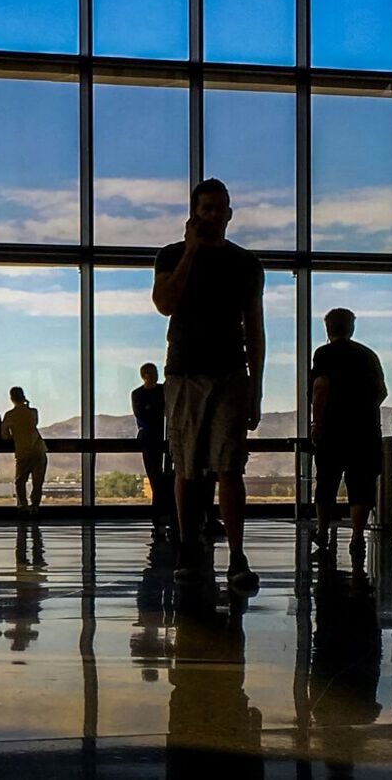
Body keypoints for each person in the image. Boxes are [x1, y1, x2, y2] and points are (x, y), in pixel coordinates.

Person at [151, 178, 266, 587]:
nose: (215, 215)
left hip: (230, 372)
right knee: (187, 466)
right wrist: (191, 252)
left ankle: (235, 553)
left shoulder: (246, 265)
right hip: (185, 372)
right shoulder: (171, 256)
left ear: (230, 213)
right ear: (195, 215)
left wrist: (256, 385)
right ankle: (188, 545)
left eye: (220, 208)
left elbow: (254, 328)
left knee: (230, 467)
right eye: (207, 209)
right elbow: (165, 303)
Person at [308, 309, 388, 561]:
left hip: (333, 429)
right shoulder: (367, 355)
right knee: (361, 484)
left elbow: (320, 388)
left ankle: (322, 531)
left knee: (327, 482)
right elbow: (381, 392)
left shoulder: (324, 354)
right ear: (351, 328)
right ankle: (356, 536)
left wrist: (317, 423)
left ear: (328, 328)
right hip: (364, 430)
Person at [133, 364, 177, 543]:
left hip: (156, 438)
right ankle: (165, 516)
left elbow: (144, 415)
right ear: (144, 375)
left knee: (158, 480)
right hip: (155, 438)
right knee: (158, 479)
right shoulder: (156, 393)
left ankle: (161, 518)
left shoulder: (141, 394)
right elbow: (144, 415)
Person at [3, 386, 47, 512]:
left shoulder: (10, 415)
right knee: (37, 482)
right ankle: (35, 507)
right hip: (38, 449)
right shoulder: (33, 412)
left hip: (23, 451)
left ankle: (23, 506)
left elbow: (4, 435)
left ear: (11, 398)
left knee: (20, 481)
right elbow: (34, 424)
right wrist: (27, 404)